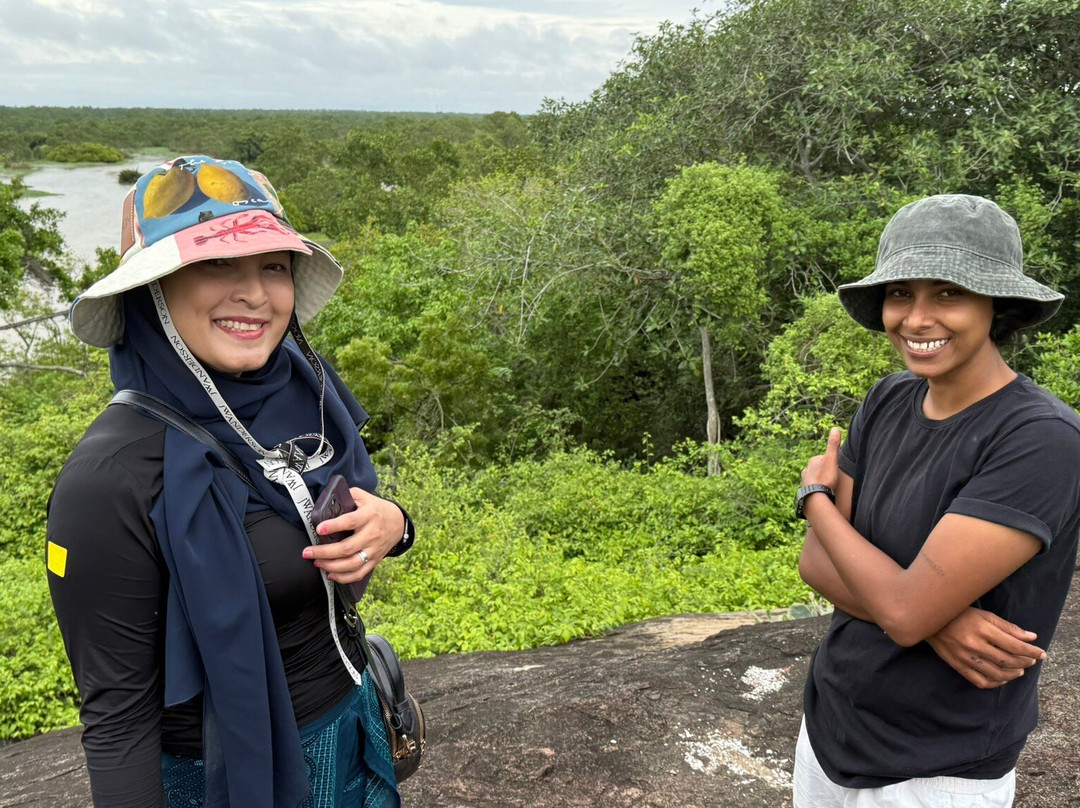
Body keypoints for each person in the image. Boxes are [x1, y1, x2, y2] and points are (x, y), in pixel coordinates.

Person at [46, 155, 414, 808]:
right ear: (152, 291)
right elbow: (117, 722)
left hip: (353, 732)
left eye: (273, 266)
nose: (254, 293)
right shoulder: (110, 479)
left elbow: (350, 516)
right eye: (216, 264)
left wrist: (396, 524)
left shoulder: (301, 393)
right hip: (224, 780)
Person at [793, 194, 1080, 807]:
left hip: (939, 767)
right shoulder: (888, 401)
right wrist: (937, 622)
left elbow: (897, 606)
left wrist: (815, 496)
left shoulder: (1040, 440)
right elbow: (816, 566)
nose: (916, 319)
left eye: (949, 293)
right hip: (829, 727)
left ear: (996, 304)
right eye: (902, 294)